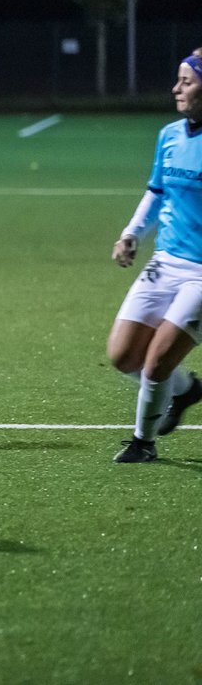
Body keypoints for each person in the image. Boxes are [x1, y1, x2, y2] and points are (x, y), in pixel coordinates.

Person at [107, 47, 202, 462]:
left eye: (186, 81)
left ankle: (143, 442)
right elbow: (157, 191)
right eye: (178, 80)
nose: (175, 88)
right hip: (165, 263)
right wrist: (131, 233)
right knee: (122, 355)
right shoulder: (169, 136)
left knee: (157, 361)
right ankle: (186, 391)